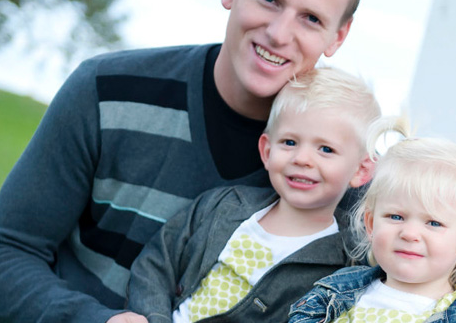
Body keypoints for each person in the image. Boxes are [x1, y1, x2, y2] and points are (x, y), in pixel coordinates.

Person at [0, 0, 366, 322]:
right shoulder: (106, 91)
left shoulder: (344, 178)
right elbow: (2, 255)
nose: (280, 33)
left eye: (311, 19)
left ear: (339, 35)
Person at [126, 67, 379, 323]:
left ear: (360, 170)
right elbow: (156, 265)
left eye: (325, 149)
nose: (302, 159)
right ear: (267, 151)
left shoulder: (349, 265)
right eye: (289, 142)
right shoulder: (221, 206)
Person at [289, 135, 456, 323]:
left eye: (433, 223)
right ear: (371, 224)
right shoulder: (333, 294)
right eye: (396, 217)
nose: (409, 234)